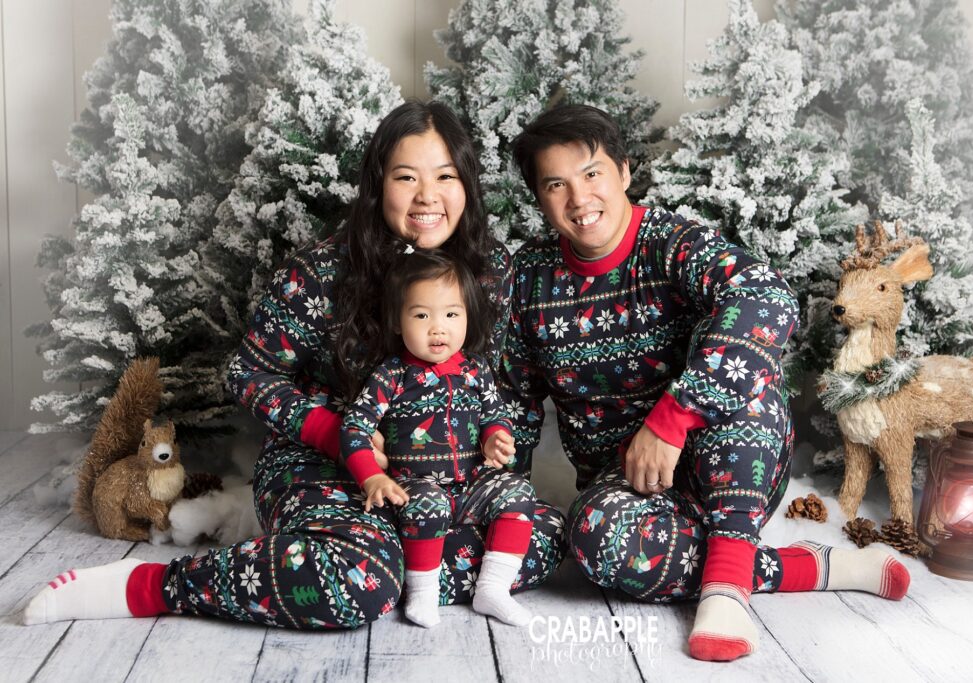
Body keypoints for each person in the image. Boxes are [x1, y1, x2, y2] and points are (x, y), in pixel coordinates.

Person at [22, 101, 566, 630]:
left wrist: (496, 452)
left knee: (540, 536)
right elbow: (248, 373)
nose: (428, 196)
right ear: (379, 184)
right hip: (324, 468)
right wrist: (334, 435)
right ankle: (153, 586)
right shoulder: (325, 269)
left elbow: (503, 384)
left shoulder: (491, 268)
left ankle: (385, 562)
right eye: (406, 177)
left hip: (445, 476)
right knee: (361, 578)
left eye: (445, 176)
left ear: (466, 183)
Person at [499, 104, 911, 661]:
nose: (579, 199)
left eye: (592, 173)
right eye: (556, 185)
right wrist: (504, 498)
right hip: (630, 483)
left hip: (732, 461)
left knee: (744, 363)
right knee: (593, 540)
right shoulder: (529, 276)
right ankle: (796, 566)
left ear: (623, 171)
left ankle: (724, 589)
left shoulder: (674, 243)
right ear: (540, 198)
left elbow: (767, 297)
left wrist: (673, 417)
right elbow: (514, 400)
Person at [343, 249, 535, 628]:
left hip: (472, 483)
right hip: (416, 483)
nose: (438, 328)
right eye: (421, 315)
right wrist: (372, 476)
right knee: (426, 504)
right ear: (398, 322)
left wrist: (495, 437)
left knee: (517, 492)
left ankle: (493, 588)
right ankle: (422, 592)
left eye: (451, 314)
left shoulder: (475, 369)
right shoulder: (392, 374)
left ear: (467, 316)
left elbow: (495, 414)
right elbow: (354, 429)